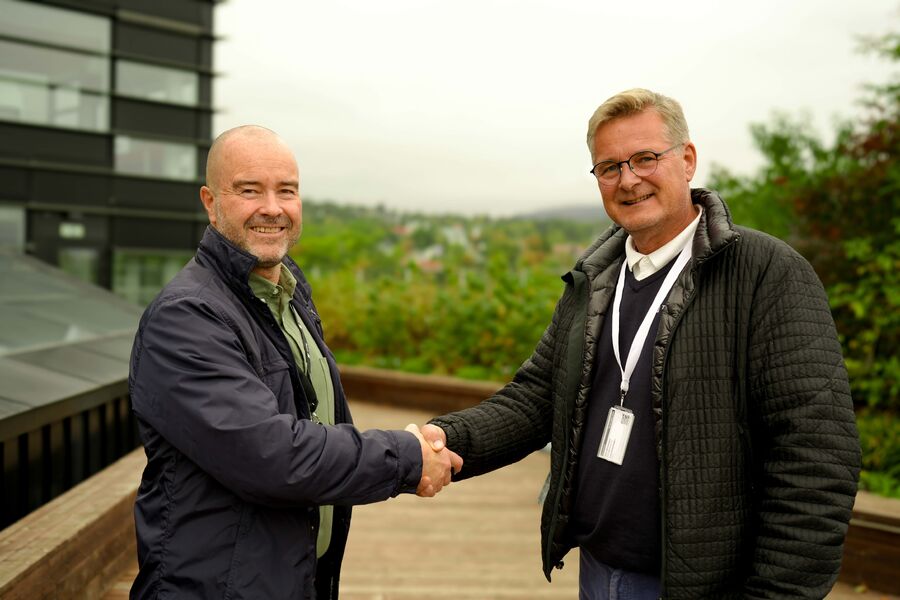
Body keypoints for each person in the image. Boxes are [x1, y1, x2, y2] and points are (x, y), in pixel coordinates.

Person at [419, 89, 860, 599]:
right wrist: (441, 440)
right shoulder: (595, 277)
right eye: (609, 167)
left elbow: (817, 455)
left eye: (645, 158)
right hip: (599, 570)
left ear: (687, 159)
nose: (628, 179)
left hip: (704, 586)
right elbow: (536, 398)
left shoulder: (766, 274)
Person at [128, 125, 461, 600]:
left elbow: (316, 422)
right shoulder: (187, 316)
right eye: (249, 190)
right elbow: (271, 456)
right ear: (210, 201)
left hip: (291, 578)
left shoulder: (287, 293)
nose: (272, 207)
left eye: (287, 190)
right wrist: (407, 457)